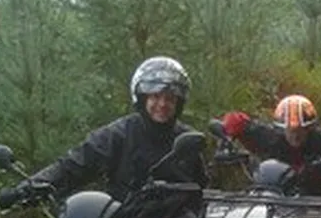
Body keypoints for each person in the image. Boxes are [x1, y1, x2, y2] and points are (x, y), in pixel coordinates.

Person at [14, 56, 207, 203]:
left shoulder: (188, 139)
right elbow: (74, 164)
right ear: (142, 98)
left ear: (179, 103)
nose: (162, 104)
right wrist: (28, 187)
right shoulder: (119, 133)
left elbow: (201, 187)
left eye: (170, 98)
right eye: (155, 97)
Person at [219, 94, 321, 172]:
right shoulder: (269, 137)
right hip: (273, 196)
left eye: (301, 130)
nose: (295, 135)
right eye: (291, 130)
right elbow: (236, 119)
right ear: (282, 128)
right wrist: (227, 136)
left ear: (309, 128)